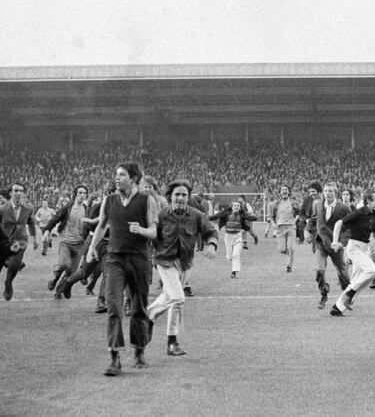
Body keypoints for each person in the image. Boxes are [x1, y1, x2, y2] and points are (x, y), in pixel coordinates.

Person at [86, 161, 158, 376]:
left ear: (134, 178)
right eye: (116, 174)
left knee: (138, 308)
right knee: (114, 307)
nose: (117, 178)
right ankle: (114, 357)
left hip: (139, 259)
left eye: (122, 175)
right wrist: (91, 249)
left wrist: (142, 230)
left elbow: (153, 232)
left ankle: (139, 350)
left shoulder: (147, 201)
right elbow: (100, 227)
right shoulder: (109, 200)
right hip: (115, 258)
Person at [147, 180, 217, 356]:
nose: (180, 198)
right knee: (178, 298)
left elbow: (211, 231)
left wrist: (212, 245)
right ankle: (172, 342)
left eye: (184, 195)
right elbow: (151, 238)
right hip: (165, 262)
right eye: (177, 194)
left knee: (169, 296)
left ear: (188, 196)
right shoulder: (161, 215)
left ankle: (147, 317)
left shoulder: (196, 215)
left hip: (185, 264)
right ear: (170, 196)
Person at [329, 187, 375, 316]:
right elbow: (338, 223)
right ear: (368, 200)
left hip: (365, 248)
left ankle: (337, 308)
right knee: (373, 271)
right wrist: (335, 241)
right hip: (354, 248)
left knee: (357, 281)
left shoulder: (374, 214)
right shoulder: (359, 212)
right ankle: (350, 294)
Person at [0, 181, 39, 308]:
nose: (18, 193)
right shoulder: (2, 209)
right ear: (10, 193)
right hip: (3, 244)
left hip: (20, 243)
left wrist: (35, 238)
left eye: (21, 191)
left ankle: (8, 282)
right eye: (16, 191)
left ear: (23, 193)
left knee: (14, 265)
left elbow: (31, 223)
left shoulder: (28, 208)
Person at [305, 182, 351, 309]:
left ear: (335, 193)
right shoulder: (319, 205)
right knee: (319, 270)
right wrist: (307, 230)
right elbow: (314, 219)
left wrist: (342, 243)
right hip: (321, 244)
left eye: (330, 191)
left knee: (342, 273)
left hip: (336, 246)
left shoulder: (343, 208)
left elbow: (349, 228)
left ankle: (348, 297)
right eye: (325, 191)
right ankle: (324, 293)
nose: (327, 193)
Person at [42, 185, 88, 299]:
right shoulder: (68, 208)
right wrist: (47, 231)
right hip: (66, 242)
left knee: (71, 272)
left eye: (84, 193)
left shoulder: (87, 209)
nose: (82, 195)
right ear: (75, 194)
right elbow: (55, 219)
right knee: (65, 265)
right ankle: (54, 278)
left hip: (79, 244)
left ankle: (59, 291)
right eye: (80, 193)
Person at [210, 200, 256, 278]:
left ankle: (234, 273)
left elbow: (248, 218)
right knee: (230, 256)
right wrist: (206, 218)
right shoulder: (226, 213)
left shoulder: (241, 215)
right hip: (228, 237)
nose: (236, 206)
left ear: (240, 208)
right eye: (235, 205)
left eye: (238, 205)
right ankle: (230, 258)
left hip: (238, 236)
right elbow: (217, 215)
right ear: (232, 207)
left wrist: (254, 218)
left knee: (236, 255)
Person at [270, 185, 298, 272]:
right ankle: (288, 254)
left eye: (286, 189)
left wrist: (295, 220)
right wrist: (273, 224)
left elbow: (299, 213)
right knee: (282, 249)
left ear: (289, 192)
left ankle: (289, 266)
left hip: (291, 227)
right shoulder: (276, 204)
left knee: (291, 248)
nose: (284, 191)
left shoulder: (294, 203)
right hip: (280, 228)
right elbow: (271, 217)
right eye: (282, 189)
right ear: (280, 192)